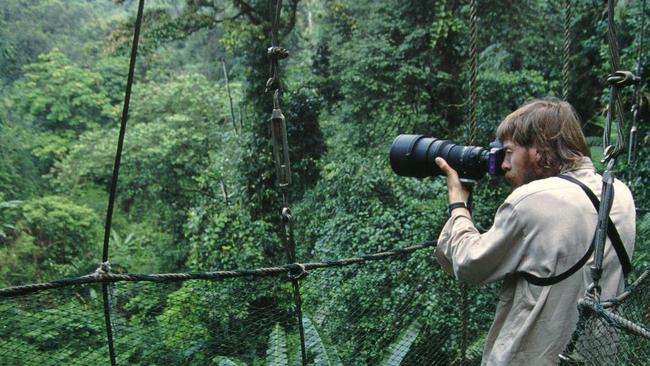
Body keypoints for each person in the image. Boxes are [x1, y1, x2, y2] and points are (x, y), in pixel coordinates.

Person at [434, 97, 636, 365]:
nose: (504, 165)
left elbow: (469, 263)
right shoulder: (620, 192)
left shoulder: (531, 200)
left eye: (508, 152)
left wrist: (458, 203)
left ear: (538, 151)